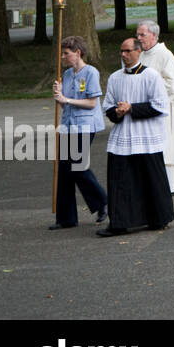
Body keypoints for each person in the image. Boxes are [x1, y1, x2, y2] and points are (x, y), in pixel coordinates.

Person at [99, 38, 174, 236]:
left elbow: (159, 106)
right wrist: (118, 112)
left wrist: (132, 108)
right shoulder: (115, 77)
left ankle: (158, 218)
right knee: (120, 182)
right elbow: (108, 106)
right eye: (121, 51)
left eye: (127, 51)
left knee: (151, 180)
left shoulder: (152, 76)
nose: (123, 55)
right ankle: (119, 222)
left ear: (138, 52)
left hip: (146, 137)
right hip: (123, 137)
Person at [50, 35, 107, 230]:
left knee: (78, 166)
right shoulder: (66, 75)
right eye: (62, 54)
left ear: (78, 53)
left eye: (66, 54)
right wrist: (58, 95)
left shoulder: (91, 72)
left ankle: (102, 201)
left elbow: (92, 102)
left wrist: (66, 100)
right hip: (68, 124)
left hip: (84, 125)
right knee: (65, 170)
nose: (63, 57)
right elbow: (63, 102)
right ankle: (66, 218)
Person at [135, 20, 174, 193]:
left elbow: (172, 86)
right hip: (142, 109)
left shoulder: (165, 55)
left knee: (165, 149)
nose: (138, 38)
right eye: (137, 35)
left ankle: (169, 187)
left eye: (142, 35)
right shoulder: (139, 54)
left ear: (154, 35)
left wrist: (148, 88)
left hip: (160, 111)